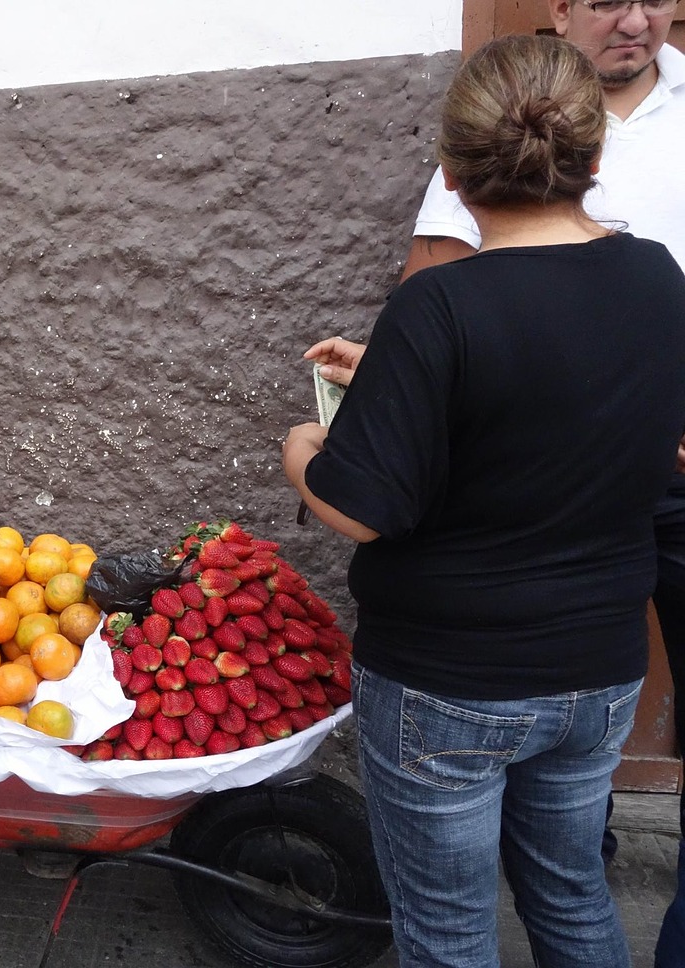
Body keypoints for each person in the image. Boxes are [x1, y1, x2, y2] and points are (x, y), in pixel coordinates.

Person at [283, 33, 685, 968]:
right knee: (573, 891)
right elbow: (570, 391)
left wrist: (302, 451)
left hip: (450, 683)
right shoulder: (658, 277)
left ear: (453, 179)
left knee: (448, 926)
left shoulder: (442, 304)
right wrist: (400, 375)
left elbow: (362, 507)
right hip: (599, 666)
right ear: (593, 161)